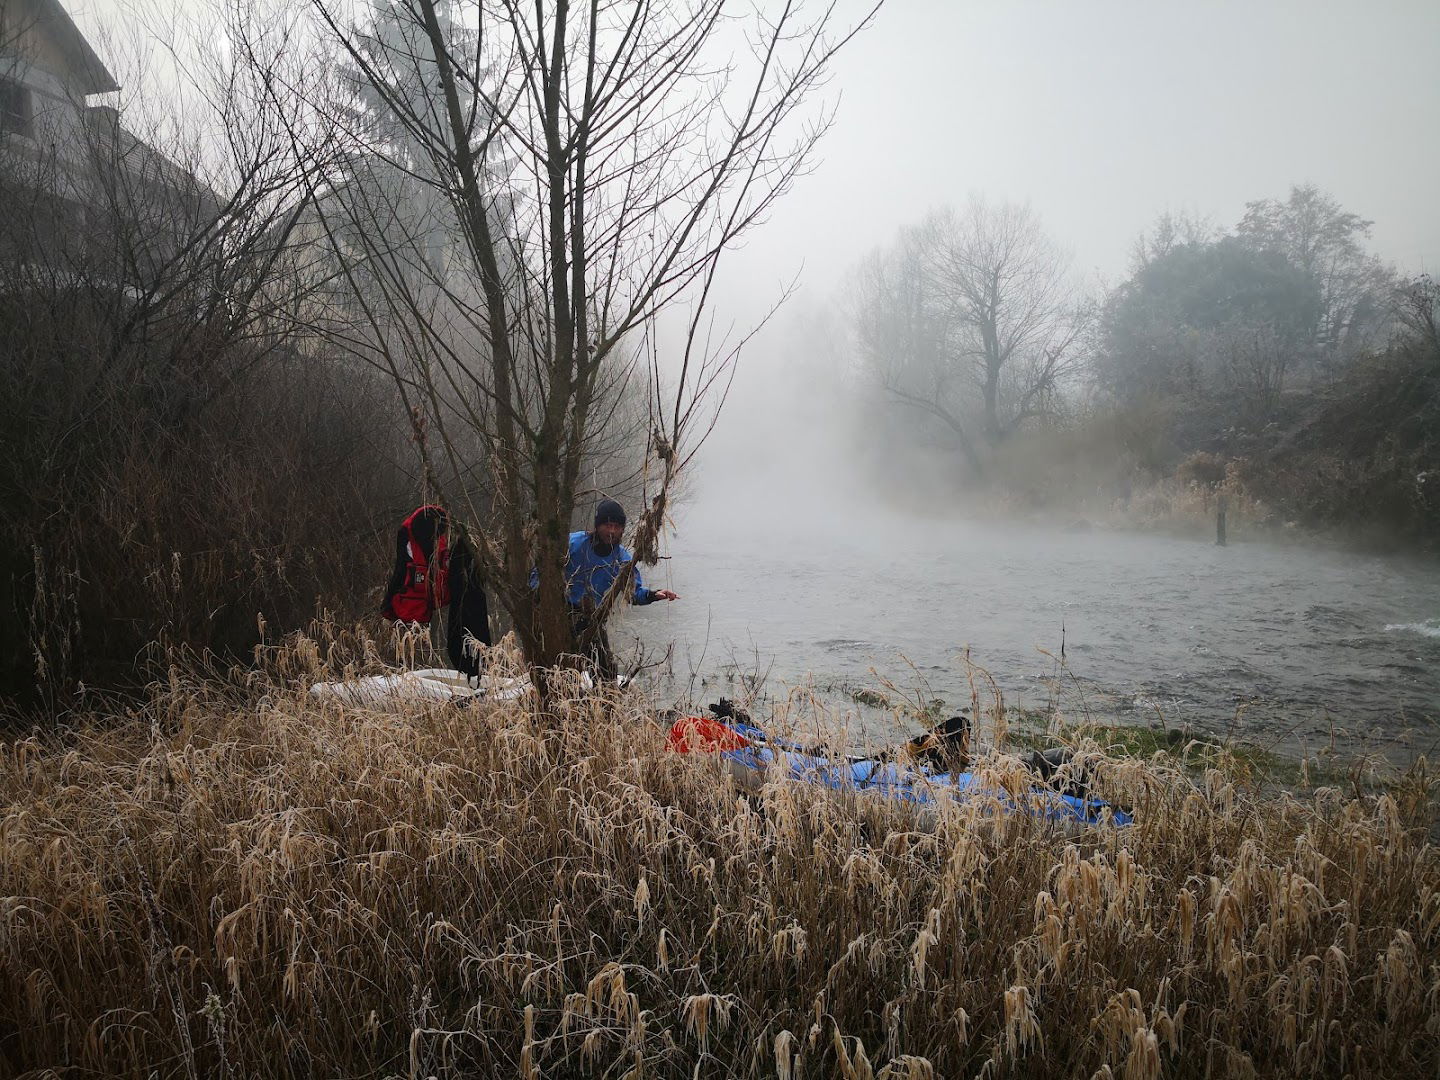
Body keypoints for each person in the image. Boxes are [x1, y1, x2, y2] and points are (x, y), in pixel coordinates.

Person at [536, 498, 678, 677]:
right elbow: (541, 570)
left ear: (622, 529)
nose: (611, 531)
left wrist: (655, 595)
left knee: (605, 672)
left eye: (617, 526)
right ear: (597, 525)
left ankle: (604, 700)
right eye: (607, 525)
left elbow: (632, 593)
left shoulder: (622, 560)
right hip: (560, 613)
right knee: (557, 670)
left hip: (591, 619)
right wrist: (538, 598)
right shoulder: (573, 544)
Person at [381, 504, 492, 678]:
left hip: (430, 606)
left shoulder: (441, 544)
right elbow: (401, 572)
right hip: (422, 609)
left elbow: (400, 573)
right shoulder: (415, 540)